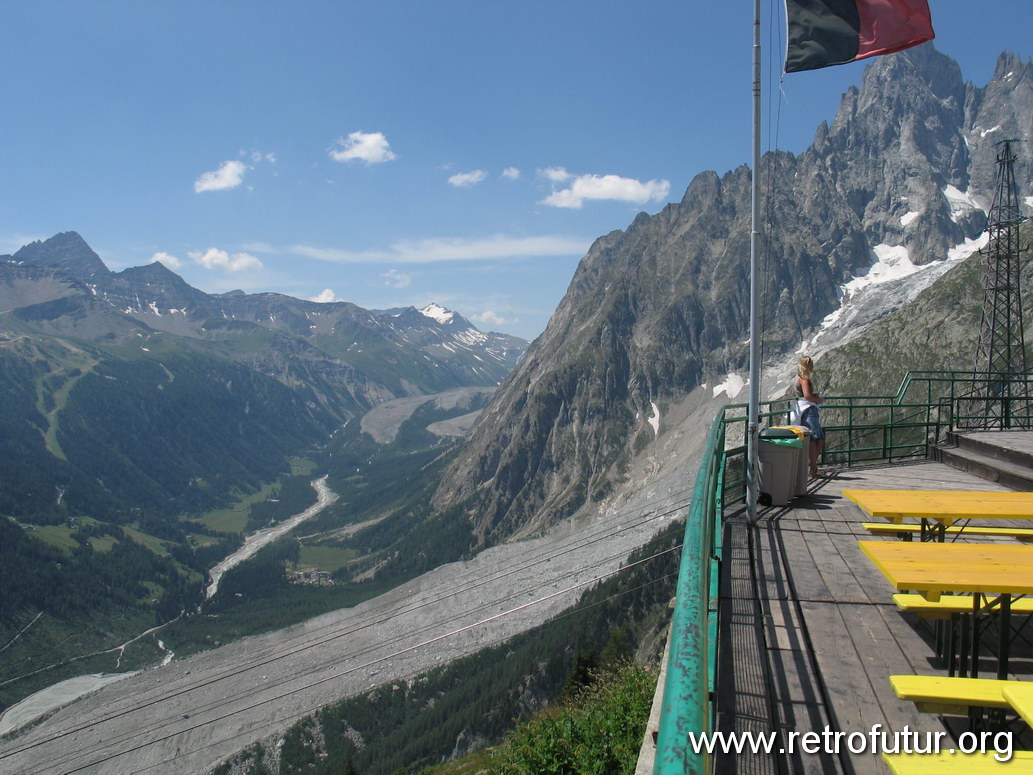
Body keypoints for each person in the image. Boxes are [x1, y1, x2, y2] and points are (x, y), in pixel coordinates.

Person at [794, 356, 826, 477]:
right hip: (809, 409)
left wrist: (813, 394)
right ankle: (813, 468)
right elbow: (807, 396)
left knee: (813, 439)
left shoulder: (796, 379)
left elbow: (801, 395)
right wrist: (818, 399)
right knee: (817, 439)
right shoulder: (804, 380)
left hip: (800, 409)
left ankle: (813, 467)